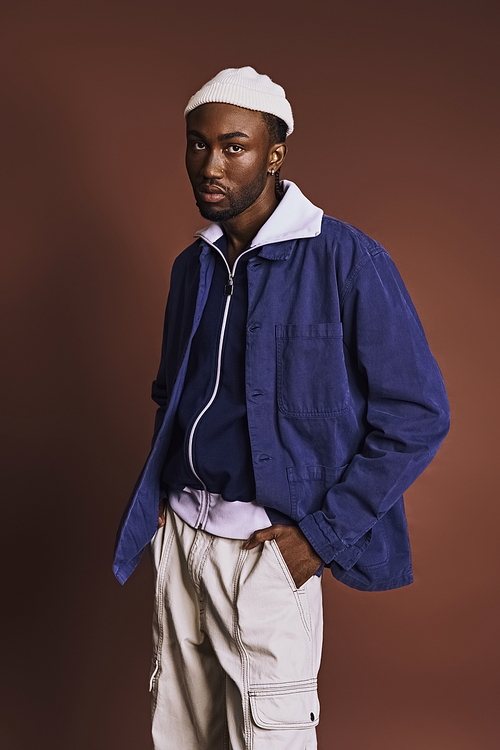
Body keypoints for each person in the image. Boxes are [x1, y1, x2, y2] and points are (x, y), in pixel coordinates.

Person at [113, 66, 450, 750]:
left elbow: (418, 414)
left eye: (234, 146)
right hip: (181, 542)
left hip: (266, 554)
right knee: (181, 736)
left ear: (274, 153)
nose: (211, 164)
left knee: (271, 739)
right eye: (197, 144)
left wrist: (319, 539)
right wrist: (159, 505)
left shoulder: (347, 261)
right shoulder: (193, 267)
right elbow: (171, 395)